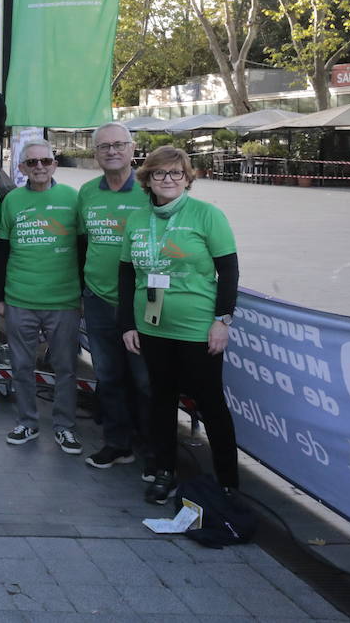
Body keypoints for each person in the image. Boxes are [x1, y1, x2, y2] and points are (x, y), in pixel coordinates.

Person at [119, 145, 241, 505]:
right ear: (147, 180)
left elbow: (229, 271)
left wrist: (222, 321)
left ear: (187, 179)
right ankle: (164, 472)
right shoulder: (138, 219)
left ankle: (227, 483)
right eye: (159, 173)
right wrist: (127, 323)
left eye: (176, 173)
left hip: (197, 329)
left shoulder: (207, 215)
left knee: (211, 404)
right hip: (153, 328)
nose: (168, 180)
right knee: (160, 402)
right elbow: (127, 274)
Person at [0, 139, 83, 455]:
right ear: (21, 169)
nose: (40, 167)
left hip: (64, 300)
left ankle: (64, 427)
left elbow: (84, 250)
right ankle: (27, 422)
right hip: (20, 298)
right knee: (20, 366)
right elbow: (1, 250)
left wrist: (82, 294)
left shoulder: (73, 198)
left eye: (45, 161)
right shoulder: (12, 200)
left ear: (55, 164)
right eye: (32, 163)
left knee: (66, 368)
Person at [78, 122, 152, 475]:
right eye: (104, 146)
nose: (112, 151)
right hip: (97, 298)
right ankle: (117, 443)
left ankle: (153, 452)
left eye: (119, 144)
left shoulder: (151, 190)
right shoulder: (88, 192)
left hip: (142, 302)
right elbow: (81, 243)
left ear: (132, 148)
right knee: (107, 376)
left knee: (144, 380)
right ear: (95, 153)